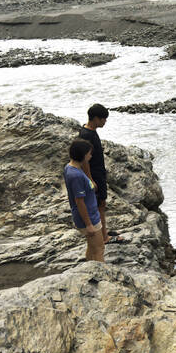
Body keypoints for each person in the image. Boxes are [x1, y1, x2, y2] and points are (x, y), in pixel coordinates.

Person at [78, 103, 118, 244]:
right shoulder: (87, 135)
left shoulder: (88, 131)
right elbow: (84, 160)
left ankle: (103, 232)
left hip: (98, 173)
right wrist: (90, 180)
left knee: (100, 204)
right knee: (99, 204)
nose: (105, 122)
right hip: (94, 175)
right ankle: (103, 237)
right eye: (103, 119)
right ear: (96, 118)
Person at [64, 139, 104, 262]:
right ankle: (101, 274)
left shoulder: (70, 168)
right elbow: (79, 202)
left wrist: (90, 183)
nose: (90, 156)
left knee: (92, 247)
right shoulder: (75, 175)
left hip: (90, 214)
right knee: (99, 249)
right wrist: (89, 225)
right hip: (88, 218)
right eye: (89, 153)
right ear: (82, 155)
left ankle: (88, 266)